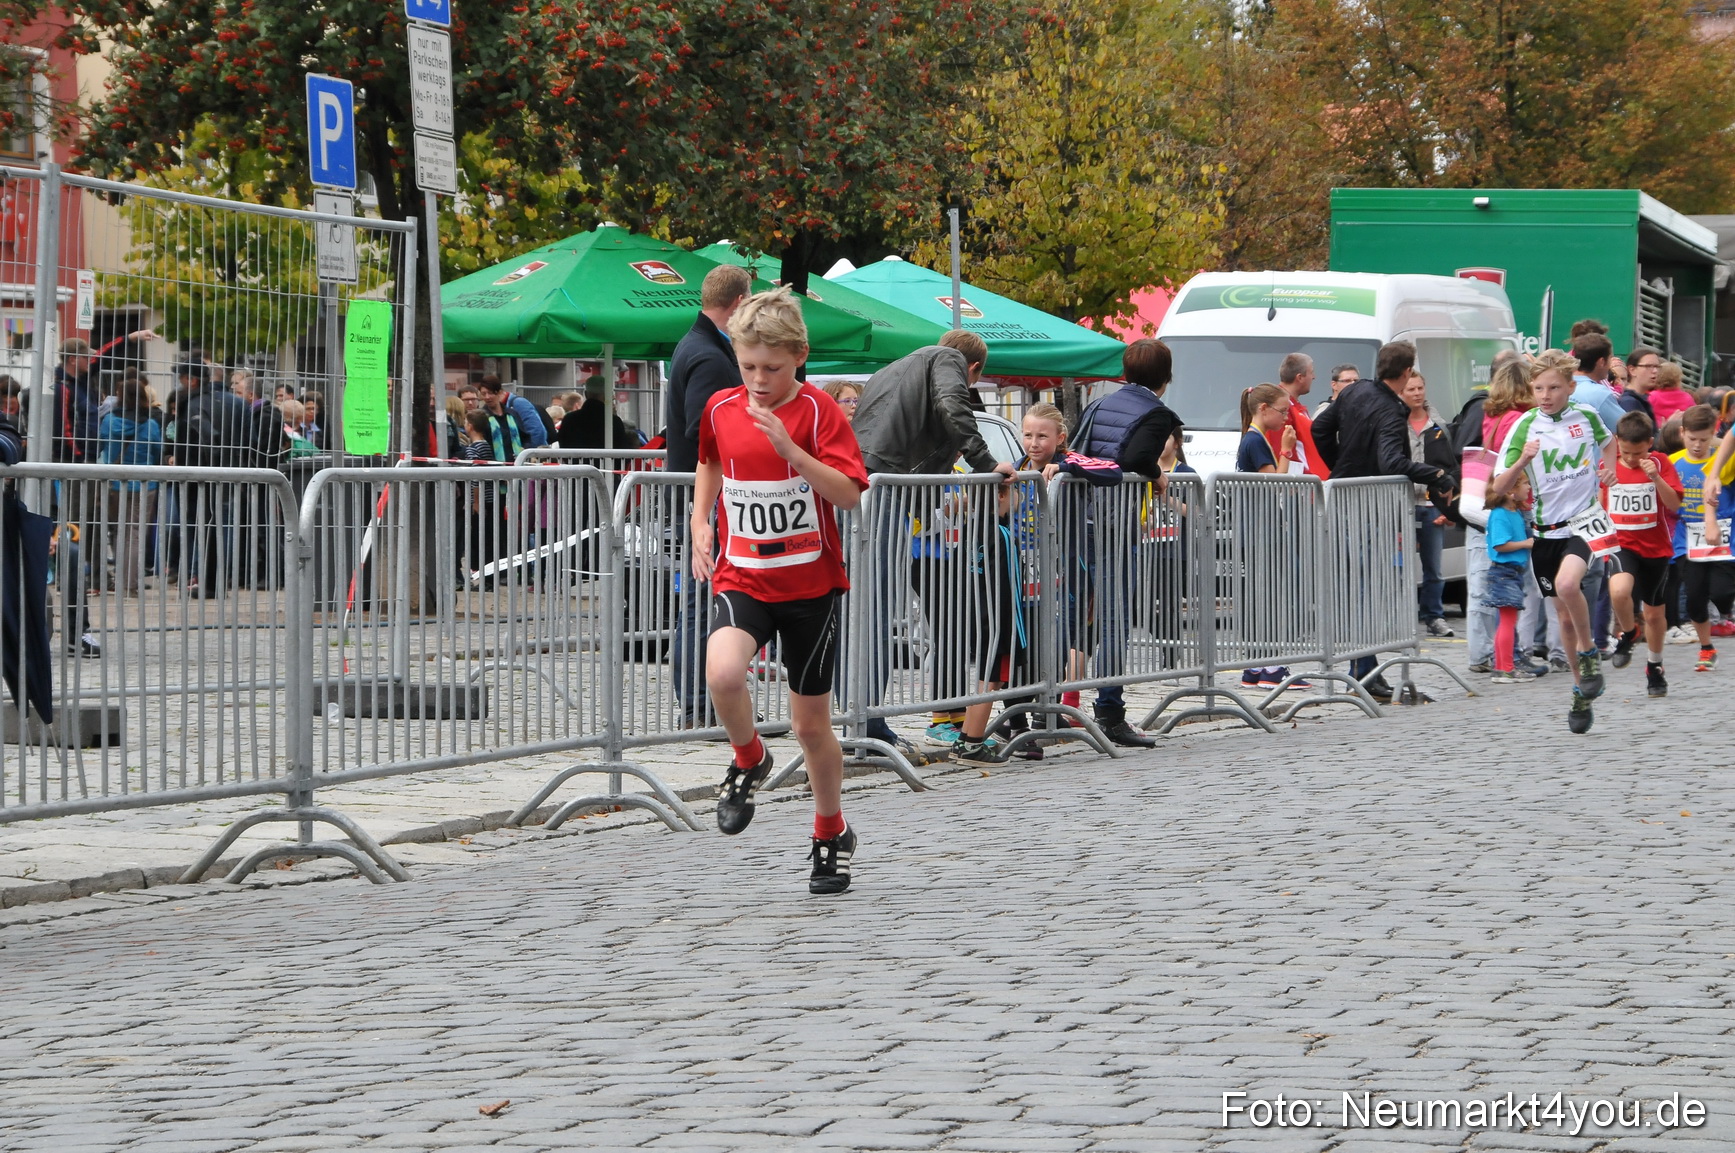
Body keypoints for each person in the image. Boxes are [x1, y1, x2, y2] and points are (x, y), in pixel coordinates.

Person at [689, 287, 870, 894]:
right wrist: (700, 520)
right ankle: (749, 758)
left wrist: (791, 451)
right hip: (743, 573)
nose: (759, 381)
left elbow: (849, 493)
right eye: (748, 366)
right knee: (721, 674)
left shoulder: (820, 412)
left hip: (810, 586)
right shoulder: (721, 406)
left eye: (772, 368)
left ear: (799, 357)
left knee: (811, 726)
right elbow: (710, 462)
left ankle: (830, 831)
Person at [853, 330, 1017, 760]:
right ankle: (867, 723)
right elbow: (952, 408)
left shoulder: (895, 367)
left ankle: (862, 719)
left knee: (861, 607)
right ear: (973, 369)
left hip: (861, 480)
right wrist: (986, 463)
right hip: (884, 487)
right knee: (874, 608)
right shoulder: (948, 361)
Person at [1312, 340, 1456, 701]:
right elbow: (1391, 462)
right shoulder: (1392, 411)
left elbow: (1319, 429)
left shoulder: (1355, 390)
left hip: (1348, 497)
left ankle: (1364, 668)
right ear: (1406, 372)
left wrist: (1341, 467)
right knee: (1368, 588)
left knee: (1363, 586)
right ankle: (1363, 672)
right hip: (1368, 505)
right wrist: (1437, 474)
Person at [1486, 348, 1618, 733]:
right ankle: (1581, 689)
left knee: (1568, 584)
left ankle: (1589, 653)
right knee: (1563, 617)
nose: (1545, 395)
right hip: (1546, 531)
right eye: (1539, 388)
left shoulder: (1586, 415)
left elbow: (1609, 442)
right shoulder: (1525, 426)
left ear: (1570, 387)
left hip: (1584, 522)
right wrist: (1522, 461)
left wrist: (1608, 470)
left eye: (1554, 388)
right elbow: (1499, 486)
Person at [1072, 337, 1182, 746]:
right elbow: (1134, 459)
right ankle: (1110, 712)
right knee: (1115, 618)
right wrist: (1156, 474)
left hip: (1081, 518)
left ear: (1125, 371)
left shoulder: (1100, 403)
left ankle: (1052, 704)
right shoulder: (1157, 414)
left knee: (1074, 615)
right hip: (1116, 527)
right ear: (1166, 378)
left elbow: (1078, 449)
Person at [1001, 403, 1122, 759]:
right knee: (1018, 648)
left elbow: (1113, 470)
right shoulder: (1017, 468)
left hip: (1063, 571)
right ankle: (1018, 723)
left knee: (1057, 644)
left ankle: (1048, 709)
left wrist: (1069, 466)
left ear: (1060, 437)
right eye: (1027, 435)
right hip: (1022, 571)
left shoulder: (1070, 462)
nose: (1034, 443)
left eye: (1042, 436)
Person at [666, 263, 753, 728]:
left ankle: (702, 704)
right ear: (738, 303)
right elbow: (704, 429)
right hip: (708, 497)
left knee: (702, 601)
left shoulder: (696, 344)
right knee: (703, 602)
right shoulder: (710, 356)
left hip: (702, 495)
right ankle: (700, 705)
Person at [1469, 358, 1548, 678]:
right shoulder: (1520, 419)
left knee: (1495, 596)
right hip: (1513, 498)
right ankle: (1511, 659)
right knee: (1519, 597)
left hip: (1495, 497)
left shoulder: (1491, 415)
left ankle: (1502, 656)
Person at [1601, 411, 1682, 698]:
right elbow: (1601, 502)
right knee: (1619, 591)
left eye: (1638, 453)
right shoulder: (1608, 464)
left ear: (1650, 442)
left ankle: (1654, 666)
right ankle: (1629, 632)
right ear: (1617, 442)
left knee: (1654, 614)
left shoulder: (1660, 462)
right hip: (1622, 544)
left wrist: (1655, 478)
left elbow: (1674, 505)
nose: (1632, 458)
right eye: (1626, 452)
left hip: (1655, 548)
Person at [1669, 405, 1735, 671]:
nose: (1697, 445)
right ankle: (1707, 648)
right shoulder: (1673, 462)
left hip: (1723, 538)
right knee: (1694, 597)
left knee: (1722, 593)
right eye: (1692, 439)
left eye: (1704, 440)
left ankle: (1725, 612)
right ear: (1682, 433)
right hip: (1687, 540)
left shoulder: (1724, 460)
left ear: (1714, 434)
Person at [97, 375, 163, 595]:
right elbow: (158, 451)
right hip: (144, 483)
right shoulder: (151, 424)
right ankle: (130, 583)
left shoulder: (109, 421)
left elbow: (101, 444)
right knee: (135, 532)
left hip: (115, 481)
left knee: (118, 529)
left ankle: (119, 578)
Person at [1404, 371, 1453, 638]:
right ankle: (1400, 617)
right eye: (1410, 389)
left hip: (1431, 503)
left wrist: (1449, 508)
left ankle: (1434, 615)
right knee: (1399, 565)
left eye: (1420, 388)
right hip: (1403, 503)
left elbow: (1450, 465)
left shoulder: (1438, 424)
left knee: (1433, 566)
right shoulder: (1395, 423)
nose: (1416, 393)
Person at [1484, 473, 1536, 683]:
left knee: (1507, 621)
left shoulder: (1515, 512)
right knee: (1507, 621)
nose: (1528, 487)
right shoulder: (1500, 514)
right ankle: (1506, 668)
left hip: (1513, 572)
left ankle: (1501, 667)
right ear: (1510, 490)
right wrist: (1525, 544)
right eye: (1525, 484)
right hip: (1504, 573)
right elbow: (1499, 545)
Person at [1269, 353, 1328, 478]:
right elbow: (1281, 451)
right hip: (1302, 485)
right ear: (1300, 377)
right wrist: (1302, 484)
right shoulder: (1281, 407)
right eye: (1311, 372)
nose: (1314, 377)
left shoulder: (1293, 406)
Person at [1568, 331, 1624, 438]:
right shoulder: (1600, 394)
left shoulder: (1559, 386)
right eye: (1610, 359)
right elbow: (1627, 429)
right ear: (1602, 362)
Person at [556, 377, 634, 450]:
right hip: (607, 460)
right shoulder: (613, 421)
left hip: (575, 460)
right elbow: (622, 448)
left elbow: (563, 444)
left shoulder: (569, 419)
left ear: (586, 394)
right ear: (607, 395)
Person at [478, 374, 550, 449]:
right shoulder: (482, 417)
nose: (487, 397)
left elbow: (535, 432)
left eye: (490, 393)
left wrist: (528, 452)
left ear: (499, 392)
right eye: (483, 394)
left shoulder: (514, 411)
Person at [1235, 384, 1289, 473]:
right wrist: (1286, 450)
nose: (1286, 417)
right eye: (1282, 411)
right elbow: (1275, 481)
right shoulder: (1255, 441)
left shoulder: (1254, 438)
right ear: (1263, 408)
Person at [1619, 347, 1662, 424]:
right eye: (1648, 366)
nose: (1655, 371)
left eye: (1657, 366)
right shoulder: (1629, 402)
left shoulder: (1642, 399)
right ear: (1632, 370)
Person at [1648, 360, 1696, 427]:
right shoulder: (1687, 398)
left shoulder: (1652, 396)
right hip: (1681, 430)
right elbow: (1695, 416)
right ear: (1678, 379)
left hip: (1658, 430)